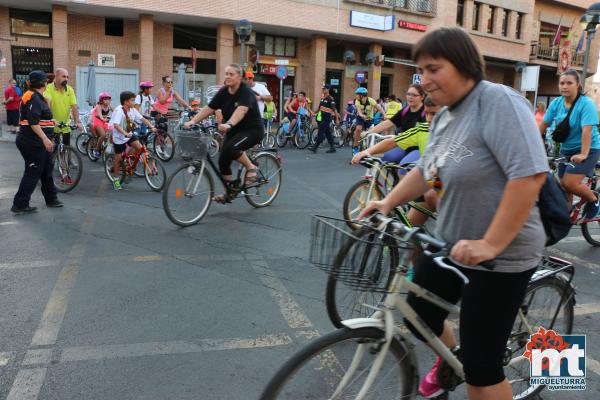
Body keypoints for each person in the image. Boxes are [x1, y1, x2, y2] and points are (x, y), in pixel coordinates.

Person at [360, 27, 548, 400]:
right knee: (420, 313)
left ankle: (475, 364)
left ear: (463, 64)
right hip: (452, 243)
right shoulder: (446, 116)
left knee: (482, 371)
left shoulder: (498, 102)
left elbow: (530, 175)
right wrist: (387, 203)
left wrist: (491, 244)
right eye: (421, 71)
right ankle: (452, 360)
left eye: (433, 68)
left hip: (501, 257)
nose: (424, 79)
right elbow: (424, 169)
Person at [352, 96, 441, 226]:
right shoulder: (422, 128)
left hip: (446, 186)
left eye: (434, 114)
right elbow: (393, 141)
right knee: (409, 234)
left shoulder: (454, 132)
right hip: (428, 177)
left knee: (431, 194)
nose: (429, 118)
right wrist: (367, 151)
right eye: (427, 113)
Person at [183, 64, 264, 203]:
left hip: (252, 130)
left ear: (239, 77)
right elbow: (209, 108)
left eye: (231, 74)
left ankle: (251, 167)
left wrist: (229, 124)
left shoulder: (246, 92)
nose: (227, 76)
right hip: (233, 131)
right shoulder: (223, 92)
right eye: (226, 73)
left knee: (232, 148)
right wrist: (193, 121)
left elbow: (241, 111)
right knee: (223, 160)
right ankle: (230, 193)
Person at [539, 69, 600, 218]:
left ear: (578, 85)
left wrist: (583, 154)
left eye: (569, 83)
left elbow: (587, 131)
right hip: (567, 149)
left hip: (589, 148)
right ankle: (567, 215)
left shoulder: (586, 104)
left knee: (569, 183)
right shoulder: (556, 103)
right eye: (562, 83)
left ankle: (594, 201)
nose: (564, 86)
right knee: (564, 187)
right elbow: (542, 126)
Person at [12, 70, 62, 214]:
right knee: (33, 172)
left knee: (47, 169)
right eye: (46, 81)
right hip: (32, 142)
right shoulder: (34, 97)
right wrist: (46, 139)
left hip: (37, 141)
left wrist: (52, 122)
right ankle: (20, 204)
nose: (48, 82)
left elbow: (39, 118)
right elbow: (33, 122)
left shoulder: (37, 97)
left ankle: (51, 199)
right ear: (43, 83)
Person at [110, 91, 156, 191]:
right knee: (118, 159)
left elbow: (142, 118)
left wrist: (151, 126)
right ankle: (116, 180)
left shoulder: (133, 110)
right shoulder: (119, 111)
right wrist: (125, 133)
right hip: (119, 138)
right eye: (132, 100)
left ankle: (130, 164)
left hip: (129, 134)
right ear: (126, 102)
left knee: (139, 148)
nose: (134, 102)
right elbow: (116, 125)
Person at [44, 68, 82, 150]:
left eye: (67, 77)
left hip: (65, 126)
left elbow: (74, 106)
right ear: (56, 77)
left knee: (67, 149)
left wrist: (76, 122)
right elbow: (47, 102)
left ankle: (67, 162)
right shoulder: (49, 88)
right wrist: (51, 119)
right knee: (51, 151)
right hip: (52, 126)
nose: (66, 79)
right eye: (64, 76)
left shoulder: (69, 89)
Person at [352, 87, 385, 155]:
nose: (356, 96)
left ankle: (371, 147)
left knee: (372, 132)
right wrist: (362, 115)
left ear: (361, 95)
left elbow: (380, 109)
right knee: (358, 129)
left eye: (357, 94)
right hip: (360, 118)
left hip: (369, 119)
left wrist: (384, 115)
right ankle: (355, 148)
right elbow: (359, 112)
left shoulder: (371, 101)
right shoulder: (357, 101)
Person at [308, 84, 340, 153]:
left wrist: (337, 119)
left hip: (327, 118)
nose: (323, 90)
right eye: (323, 89)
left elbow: (335, 110)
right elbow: (320, 108)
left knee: (320, 132)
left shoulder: (330, 99)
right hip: (322, 117)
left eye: (324, 89)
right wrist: (313, 113)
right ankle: (332, 147)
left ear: (328, 90)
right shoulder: (323, 98)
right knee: (328, 133)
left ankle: (315, 147)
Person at [90, 92, 113, 158]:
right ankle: (96, 150)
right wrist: (104, 119)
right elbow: (100, 115)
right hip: (97, 120)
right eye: (105, 99)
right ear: (101, 100)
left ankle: (105, 147)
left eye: (109, 99)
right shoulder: (98, 106)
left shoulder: (109, 105)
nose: (107, 101)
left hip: (104, 120)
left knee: (110, 134)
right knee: (103, 135)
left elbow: (115, 111)